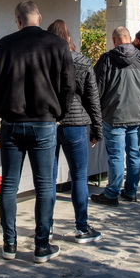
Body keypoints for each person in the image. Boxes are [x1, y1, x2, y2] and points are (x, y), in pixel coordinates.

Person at [0, 1, 75, 263]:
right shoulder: (57, 44)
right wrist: (61, 114)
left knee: (9, 184)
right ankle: (41, 246)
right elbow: (69, 85)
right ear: (40, 17)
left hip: (12, 122)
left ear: (17, 19)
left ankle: (9, 244)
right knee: (45, 185)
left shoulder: (4, 45)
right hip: (44, 121)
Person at [45, 19, 103, 243]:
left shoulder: (44, 61)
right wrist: (97, 129)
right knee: (79, 175)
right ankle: (81, 228)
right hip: (77, 123)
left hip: (50, 122)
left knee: (48, 178)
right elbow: (92, 99)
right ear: (68, 37)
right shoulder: (82, 61)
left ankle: (47, 226)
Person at [90, 26, 140, 206]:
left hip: (114, 116)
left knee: (117, 155)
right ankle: (131, 191)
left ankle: (112, 193)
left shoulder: (107, 60)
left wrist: (93, 118)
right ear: (131, 39)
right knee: (134, 154)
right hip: (136, 115)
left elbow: (97, 91)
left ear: (114, 40)